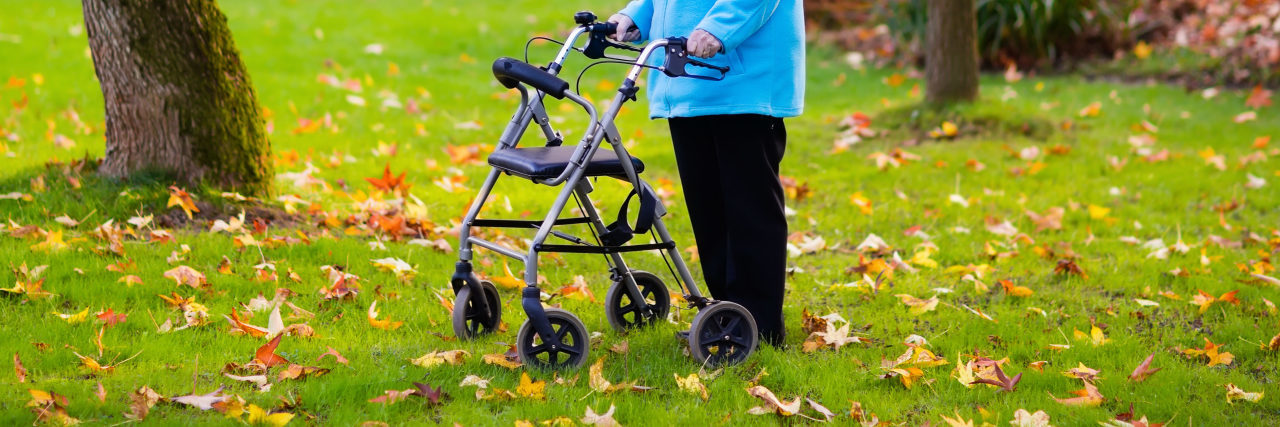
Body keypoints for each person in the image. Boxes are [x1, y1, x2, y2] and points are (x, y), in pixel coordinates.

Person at [608, 0, 804, 346]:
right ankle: (728, 316)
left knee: (749, 211)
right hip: (688, 77)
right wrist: (635, 16)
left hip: (743, 80)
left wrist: (718, 28)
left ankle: (760, 324)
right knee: (708, 210)